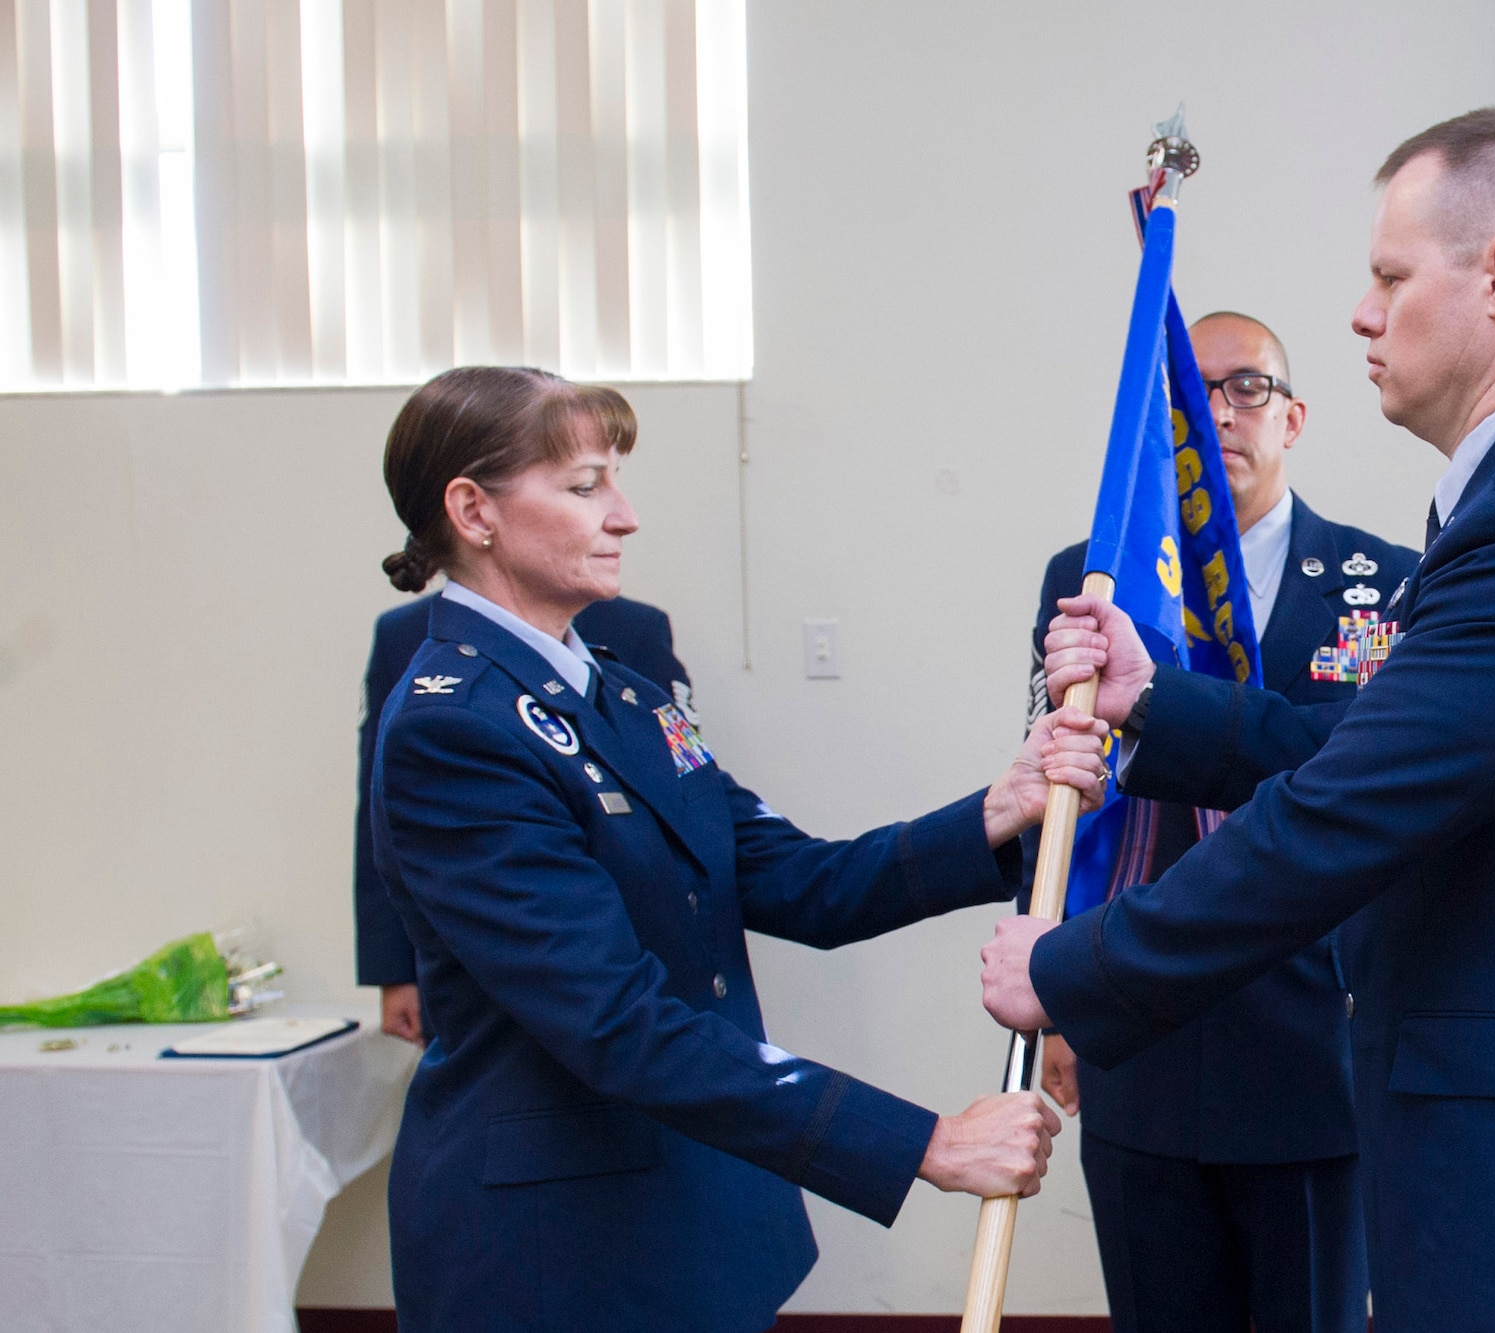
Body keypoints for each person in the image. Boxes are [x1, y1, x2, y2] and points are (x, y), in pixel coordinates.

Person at [982, 108, 1495, 1332]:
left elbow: (1343, 811)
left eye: (1390, 275)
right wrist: (1163, 701)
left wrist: (1075, 967)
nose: (1361, 312)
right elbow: (1368, 757)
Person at [368, 366, 1102, 1333]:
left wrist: (996, 812)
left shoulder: (621, 692)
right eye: (585, 486)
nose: (623, 516)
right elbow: (618, 1022)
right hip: (555, 1250)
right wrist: (928, 1143)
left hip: (682, 1216)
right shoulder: (455, 729)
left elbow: (802, 881)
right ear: (474, 509)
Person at [1023, 311, 1415, 1333]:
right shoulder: (1093, 580)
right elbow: (1060, 792)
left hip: (1312, 1037)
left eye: (1245, 387)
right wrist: (1062, 996)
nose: (1217, 413)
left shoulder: (1386, 583)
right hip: (1140, 1023)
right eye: (1188, 393)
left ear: (1292, 416)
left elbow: (1376, 781)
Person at [355, 592, 693, 1044]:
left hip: (628, 941)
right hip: (477, 954)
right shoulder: (406, 632)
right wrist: (393, 969)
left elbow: (686, 786)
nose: (622, 522)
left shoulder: (634, 627)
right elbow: (380, 811)